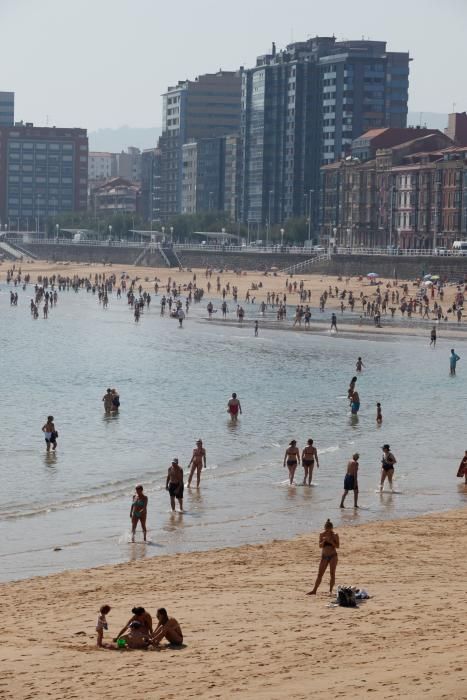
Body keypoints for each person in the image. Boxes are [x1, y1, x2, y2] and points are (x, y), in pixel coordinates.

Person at [306, 519, 339, 596]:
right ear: (324, 528)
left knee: (332, 573)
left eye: (329, 530)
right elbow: (320, 546)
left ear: (332, 528)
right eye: (326, 530)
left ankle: (330, 591)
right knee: (320, 574)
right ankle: (314, 590)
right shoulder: (321, 534)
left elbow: (337, 546)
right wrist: (323, 541)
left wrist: (331, 541)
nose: (328, 531)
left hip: (333, 556)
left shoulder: (335, 535)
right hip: (324, 556)